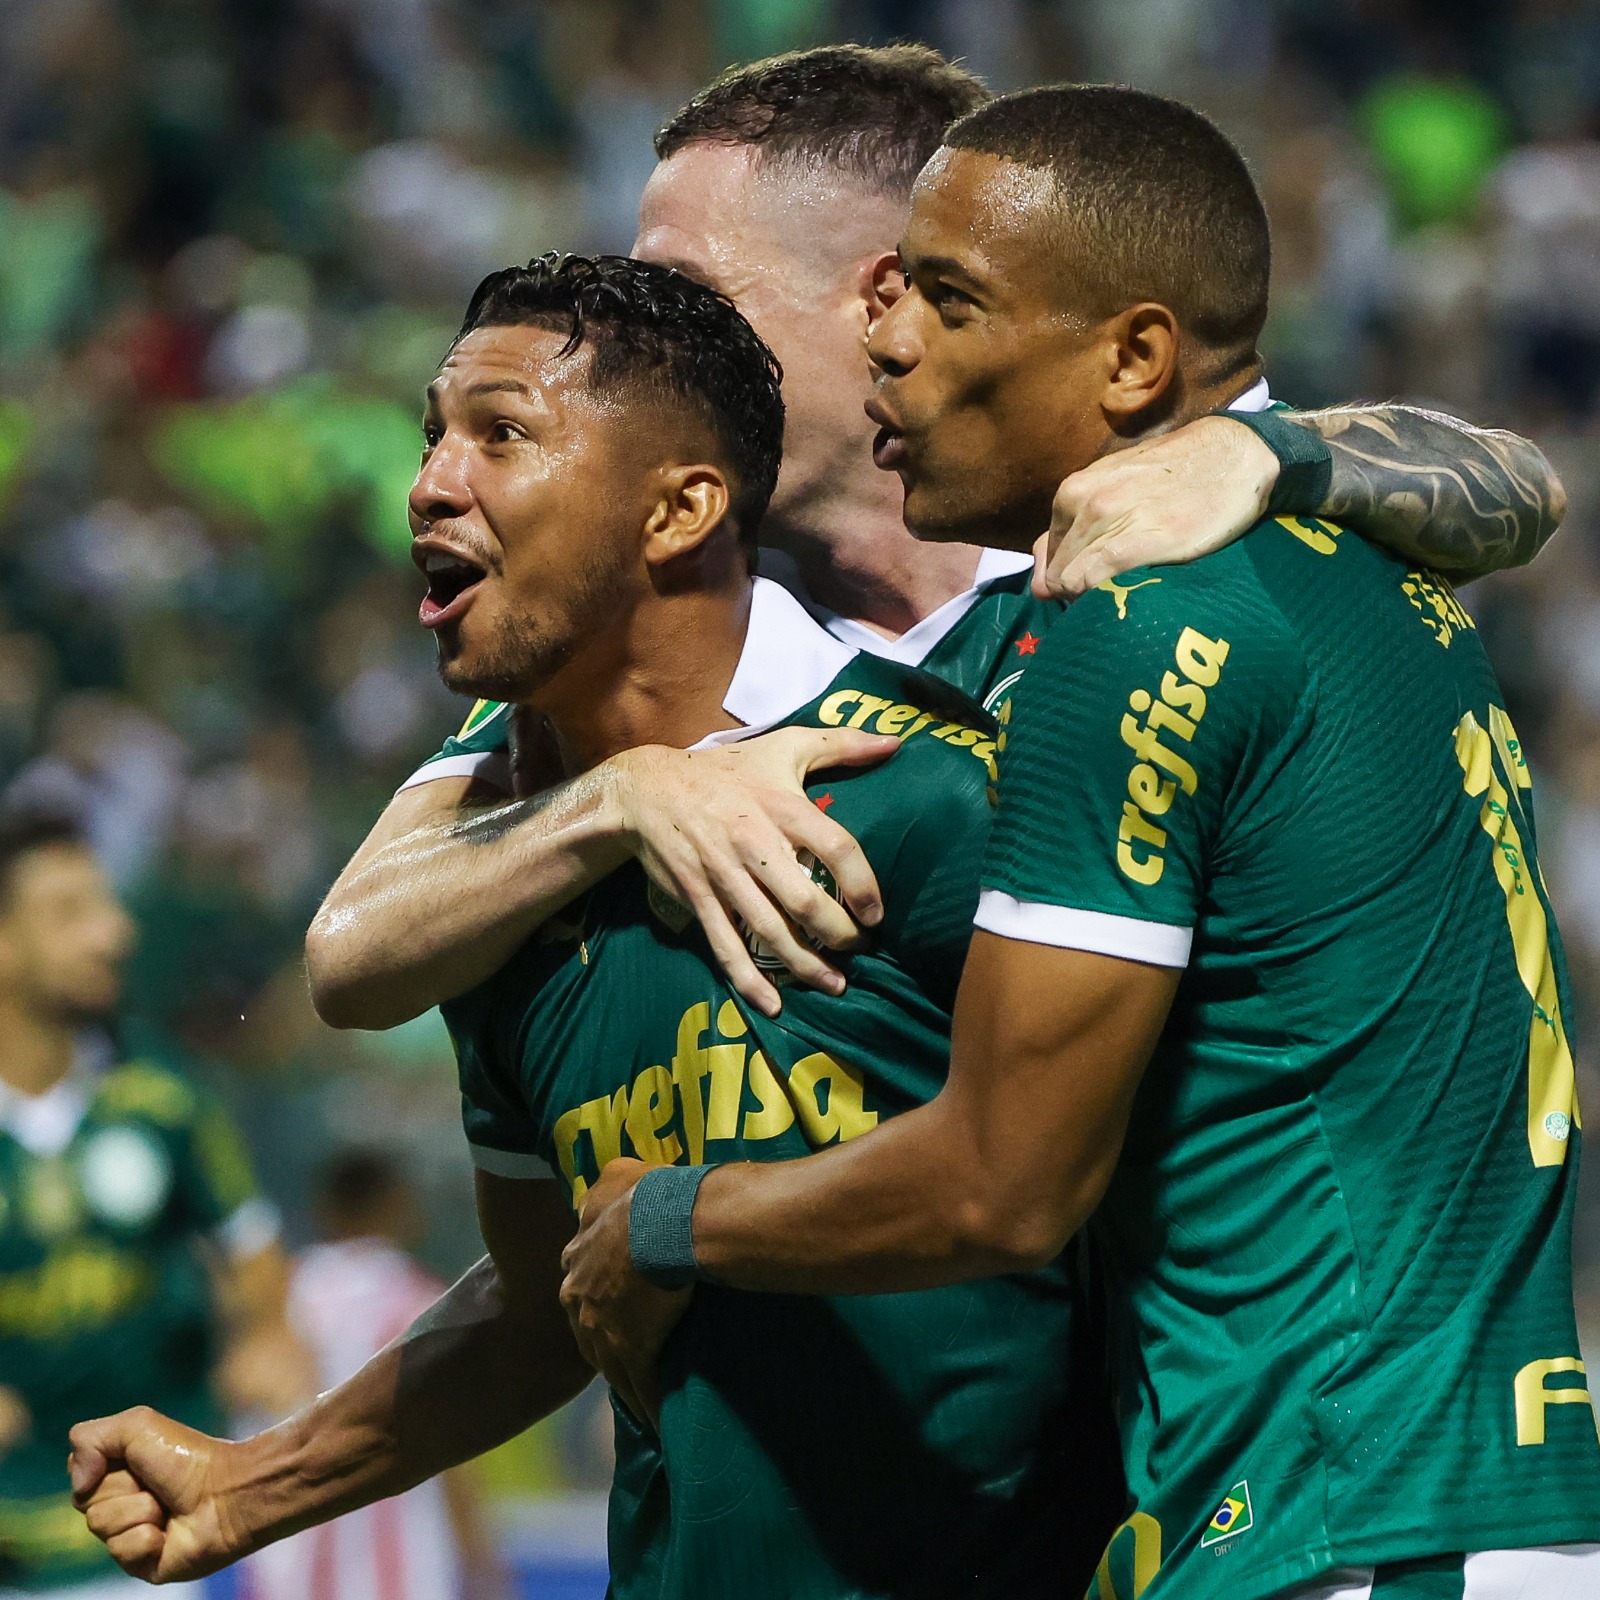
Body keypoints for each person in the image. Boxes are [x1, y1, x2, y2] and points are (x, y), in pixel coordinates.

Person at [556, 85, 1600, 1600]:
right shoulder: (1362, 557)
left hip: (1334, 1524)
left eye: (952, 301)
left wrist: (663, 1219)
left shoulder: (1127, 626)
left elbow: (1002, 1182)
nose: (890, 343)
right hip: (1457, 1500)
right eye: (898, 291)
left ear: (1133, 356)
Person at [63, 254, 1124, 1598]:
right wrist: (249, 1485)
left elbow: (1051, 1194)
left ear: (677, 510)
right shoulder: (502, 883)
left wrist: (683, 1222)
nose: (430, 483)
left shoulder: (915, 791)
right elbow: (535, 1306)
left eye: (501, 435)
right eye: (434, 435)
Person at [301, 44, 1567, 1034]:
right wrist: (622, 795)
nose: (640, 350)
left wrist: (1267, 449)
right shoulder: (692, 612)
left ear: (885, 298)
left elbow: (1517, 484)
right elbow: (355, 947)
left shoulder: (1141, 519)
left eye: (692, 300)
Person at [0, 806, 308, 1600]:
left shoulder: (165, 1092)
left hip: (148, 1549)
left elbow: (253, 1245)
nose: (114, 935)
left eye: (108, 907)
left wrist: (267, 1331)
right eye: (71, 913)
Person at [241, 1148, 508, 1600]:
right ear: (397, 1206)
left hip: (292, 1571)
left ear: (325, 1210)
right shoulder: (424, 1305)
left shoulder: (283, 1299)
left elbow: (242, 1391)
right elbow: (452, 1452)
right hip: (401, 1575)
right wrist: (481, 1561)